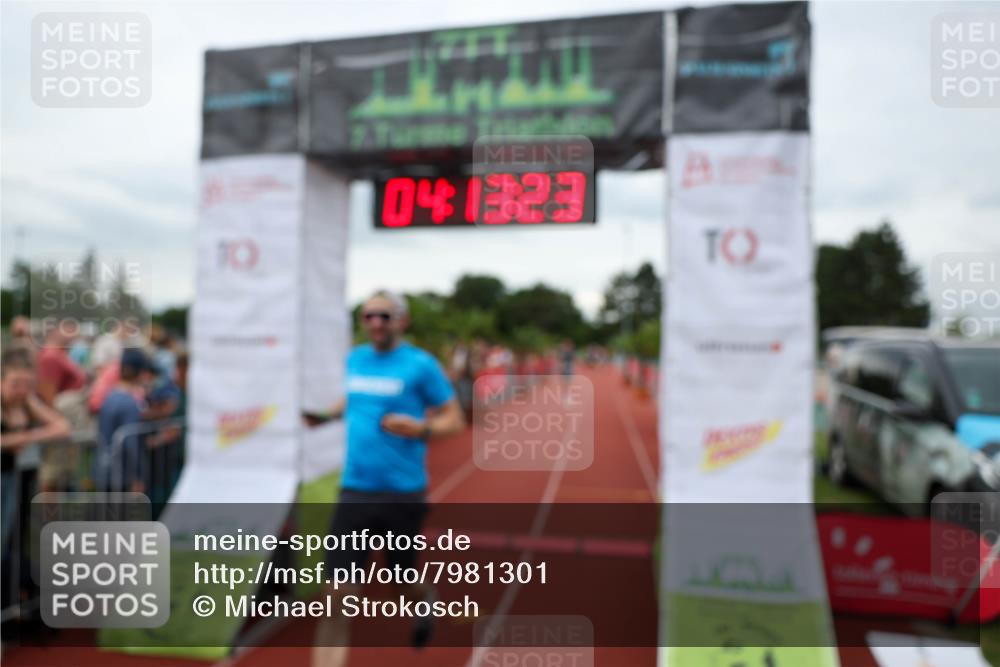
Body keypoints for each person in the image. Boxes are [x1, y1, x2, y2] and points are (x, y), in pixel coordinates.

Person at [307, 290, 465, 667]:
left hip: (402, 493)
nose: (376, 323)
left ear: (402, 321)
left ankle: (424, 600)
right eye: (369, 316)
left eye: (384, 316)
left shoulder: (421, 365)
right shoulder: (356, 359)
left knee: (399, 581)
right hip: (354, 490)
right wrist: (324, 416)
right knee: (335, 597)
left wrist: (423, 428)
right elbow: (352, 400)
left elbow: (454, 419)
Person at [1, 350, 70, 564]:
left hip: (11, 476)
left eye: (27, 384)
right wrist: (17, 439)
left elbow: (62, 426)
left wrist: (26, 437)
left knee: (7, 533)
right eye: (15, 384)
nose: (21, 390)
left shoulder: (26, 401)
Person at [96, 349, 156, 493]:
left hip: (104, 469)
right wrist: (137, 476)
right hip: (122, 475)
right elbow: (131, 443)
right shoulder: (129, 403)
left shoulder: (109, 397)